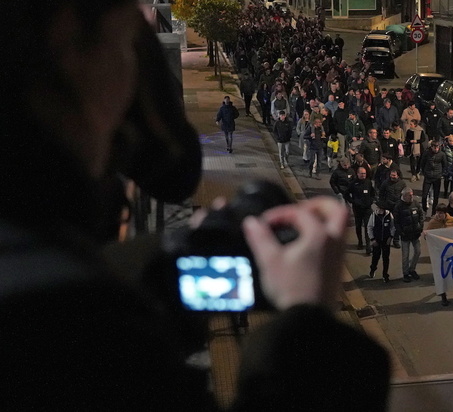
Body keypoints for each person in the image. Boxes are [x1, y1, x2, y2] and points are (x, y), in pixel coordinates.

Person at [1, 2, 390, 410]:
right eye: (126, 43)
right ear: (73, 48)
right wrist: (308, 325)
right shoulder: (68, 326)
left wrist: (154, 276)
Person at [394, 187, 424, 283]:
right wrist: (400, 232)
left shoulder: (415, 203)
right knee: (405, 256)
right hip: (405, 235)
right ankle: (406, 273)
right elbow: (396, 221)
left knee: (418, 251)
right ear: (404, 196)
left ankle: (412, 269)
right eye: (409, 195)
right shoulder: (398, 206)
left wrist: (420, 227)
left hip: (415, 233)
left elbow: (421, 215)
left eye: (412, 195)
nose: (411, 197)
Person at [347, 167, 376, 254]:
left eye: (364, 173)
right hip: (357, 209)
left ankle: (368, 247)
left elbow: (373, 193)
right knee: (358, 226)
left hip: (367, 209)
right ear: (358, 174)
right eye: (361, 173)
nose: (363, 175)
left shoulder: (368, 182)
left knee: (368, 227)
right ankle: (360, 242)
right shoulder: (353, 183)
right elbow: (346, 194)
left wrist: (371, 200)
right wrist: (353, 201)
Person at [367, 201, 395, 283]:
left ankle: (385, 274)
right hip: (377, 241)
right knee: (375, 257)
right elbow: (369, 228)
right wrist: (372, 239)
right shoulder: (373, 216)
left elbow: (392, 227)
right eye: (378, 208)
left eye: (380, 208)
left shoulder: (389, 215)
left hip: (386, 241)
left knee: (386, 258)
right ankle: (373, 269)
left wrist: (391, 237)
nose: (378, 209)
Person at [420, 141, 447, 215]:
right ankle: (424, 210)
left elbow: (445, 165)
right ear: (431, 147)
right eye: (434, 147)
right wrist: (424, 172)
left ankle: (433, 213)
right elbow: (422, 163)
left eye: (437, 147)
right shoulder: (426, 153)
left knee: (436, 197)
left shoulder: (442, 154)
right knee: (424, 195)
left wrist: (441, 174)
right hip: (428, 176)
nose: (436, 149)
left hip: (437, 177)